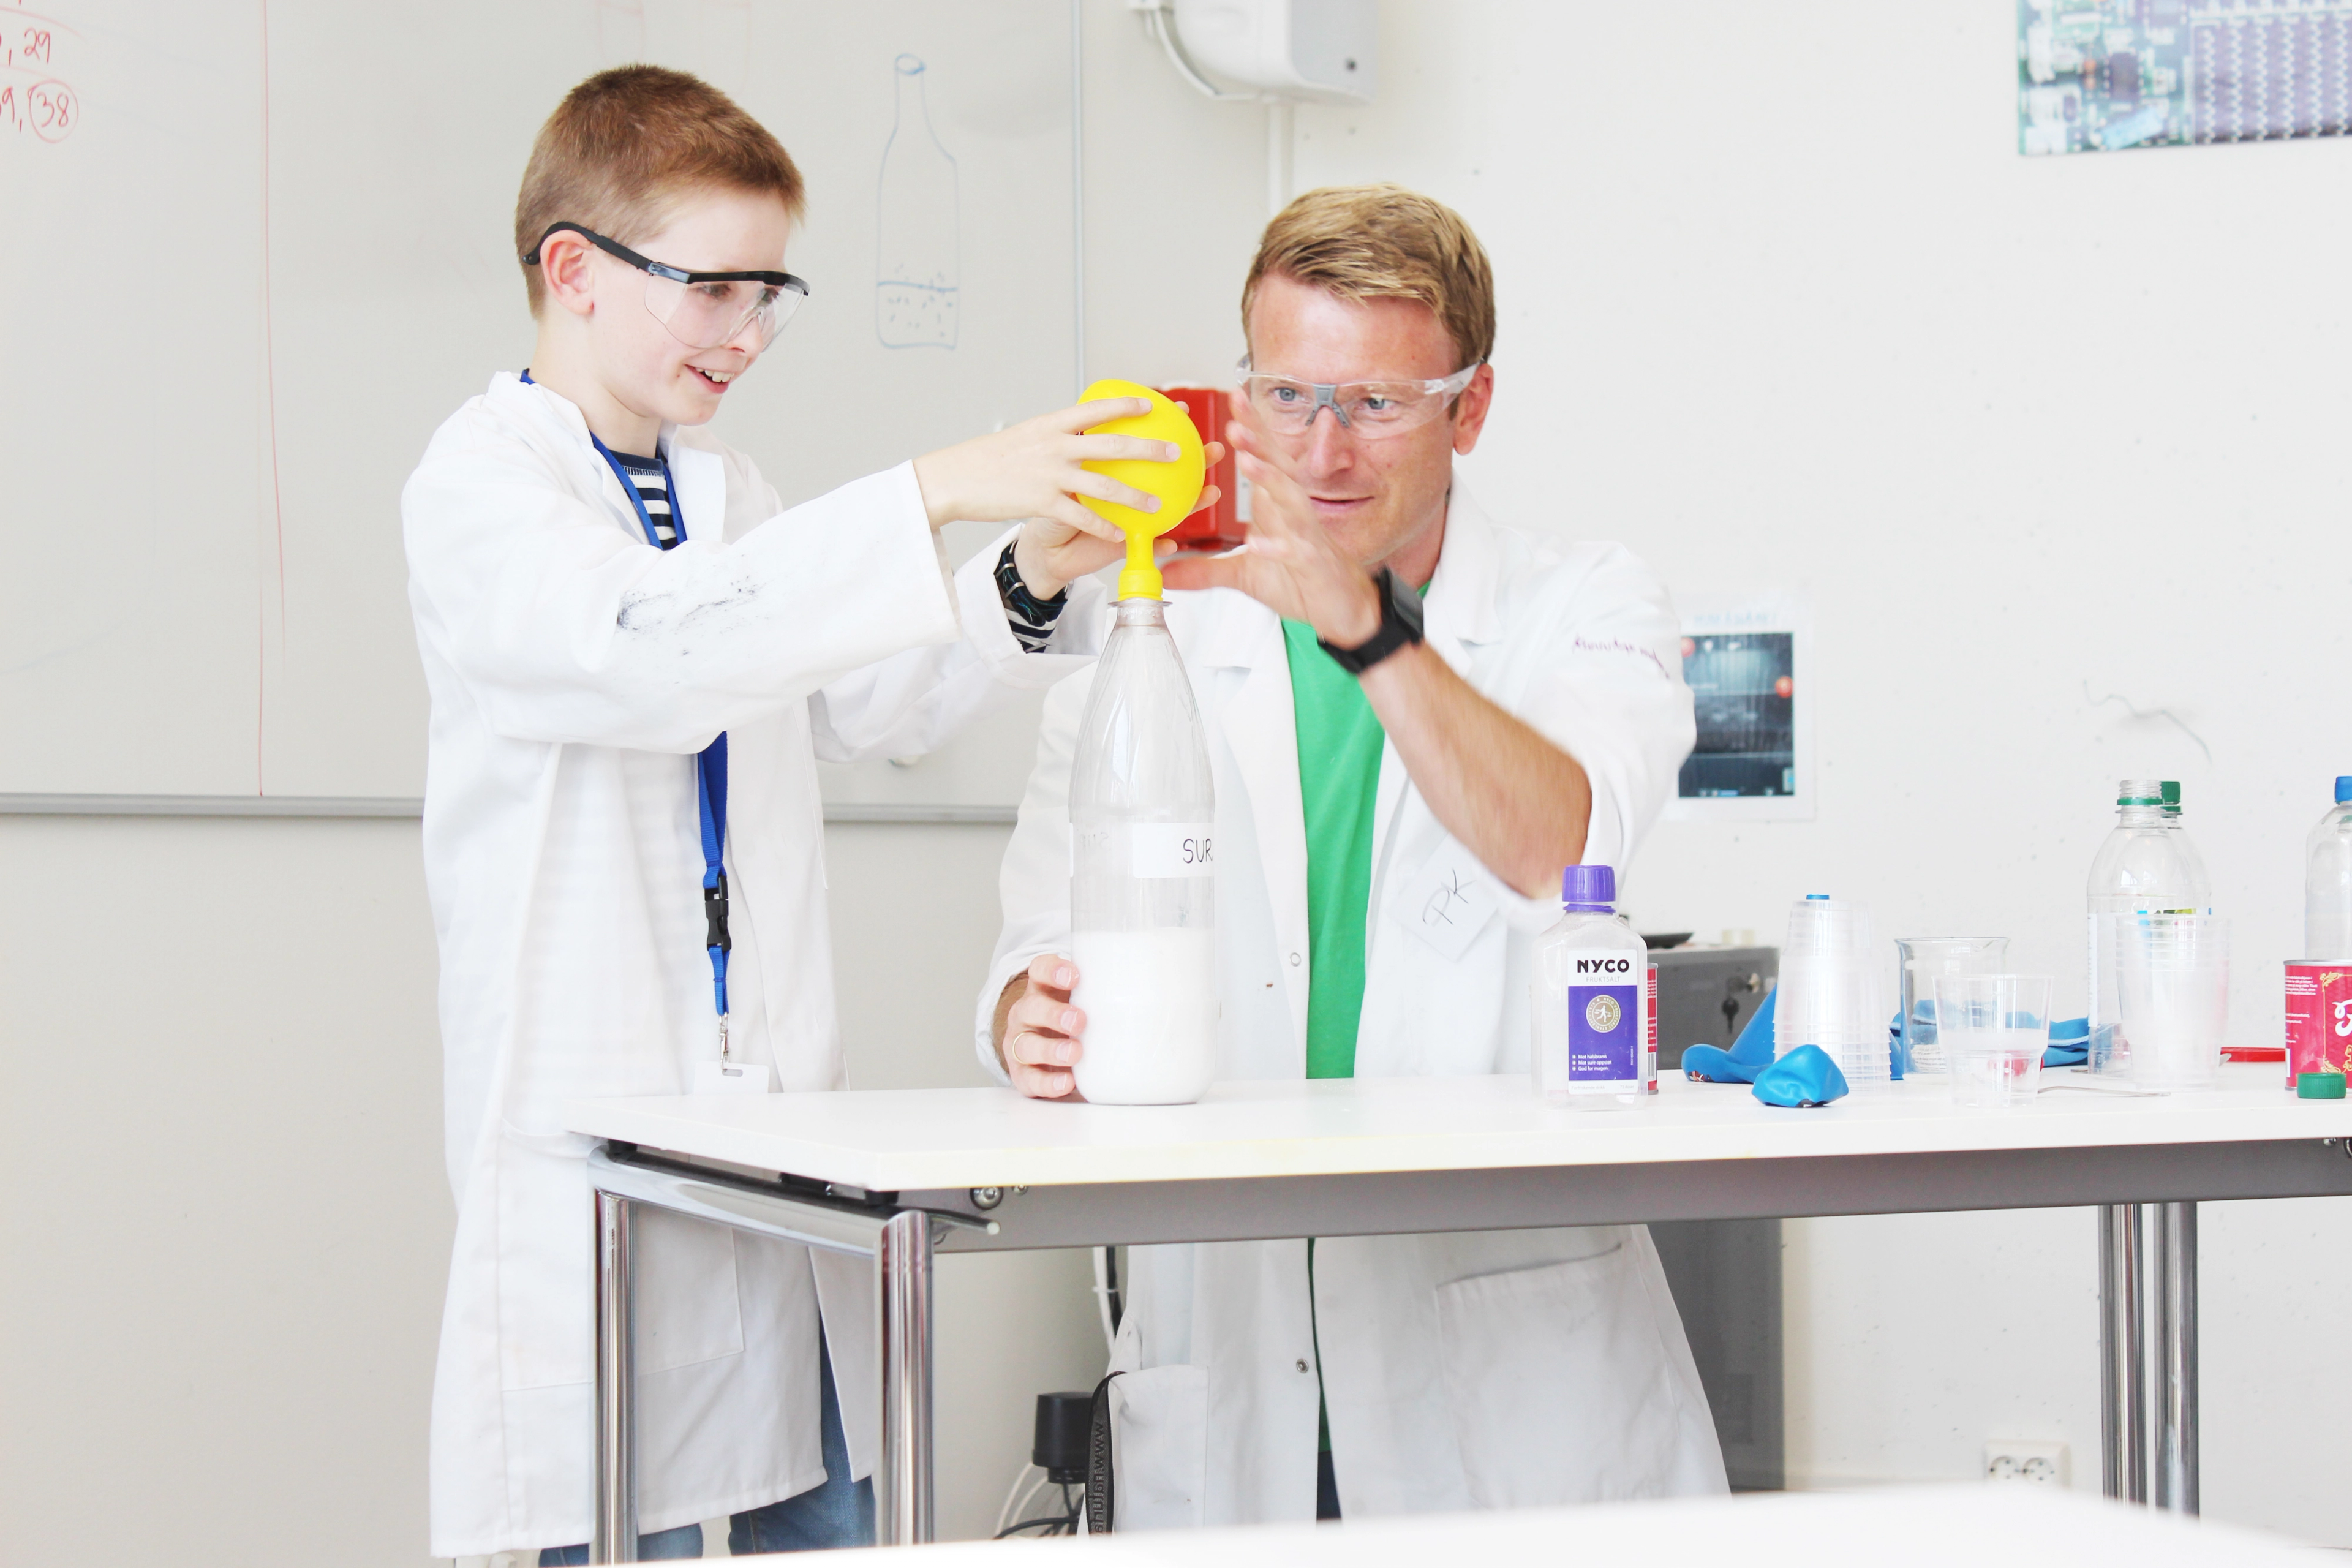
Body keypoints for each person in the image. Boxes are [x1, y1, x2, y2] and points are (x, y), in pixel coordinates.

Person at [404, 67, 1210, 1562]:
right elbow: (651, 652)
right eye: (712, 287)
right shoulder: (481, 487)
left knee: (817, 1487)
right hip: (593, 1132)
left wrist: (1028, 562)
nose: (751, 331)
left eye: (773, 291)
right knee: (610, 1493)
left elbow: (863, 703)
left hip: (760, 1124)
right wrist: (941, 487)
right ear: (569, 271)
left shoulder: (726, 490)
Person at [975, 184, 1724, 1525]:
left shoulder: (1584, 601)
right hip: (1233, 1357)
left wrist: (1369, 629)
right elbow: (1044, 927)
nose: (1321, 452)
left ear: (1470, 408)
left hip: (1506, 1377)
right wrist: (1024, 1012)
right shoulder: (1154, 624)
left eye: (1376, 403)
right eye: (1284, 395)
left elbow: (1564, 848)